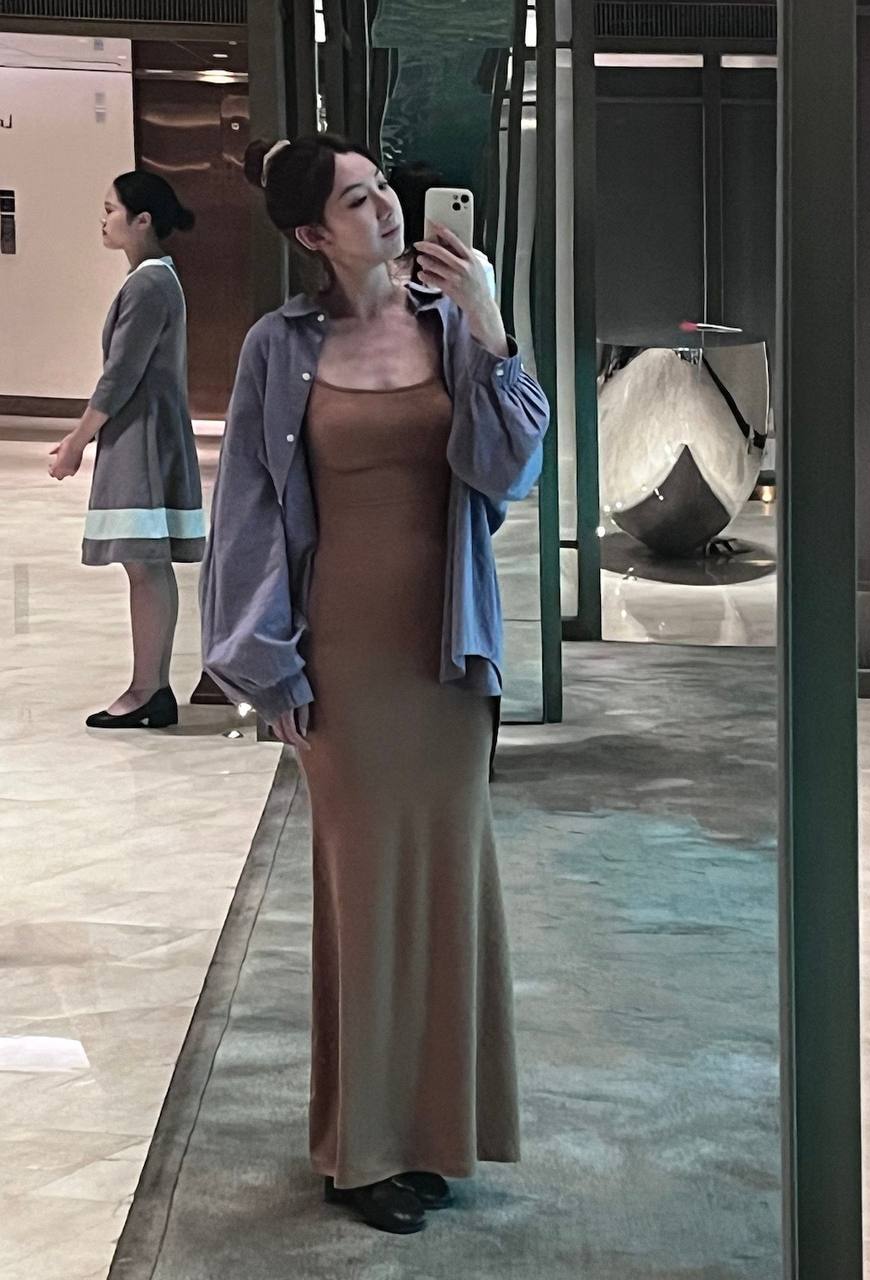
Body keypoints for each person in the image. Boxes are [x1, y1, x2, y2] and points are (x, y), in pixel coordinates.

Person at [200, 134, 549, 1235]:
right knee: (363, 897)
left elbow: (507, 470)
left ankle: (433, 1134)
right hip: (340, 660)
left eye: (384, 190)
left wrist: (491, 325)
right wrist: (265, 663)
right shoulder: (278, 346)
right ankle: (360, 1151)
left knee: (448, 885)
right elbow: (248, 508)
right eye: (359, 200)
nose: (388, 210)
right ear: (313, 233)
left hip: (447, 650)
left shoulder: (452, 326)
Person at [49, 172, 203, 730]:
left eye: (112, 209)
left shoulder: (149, 284)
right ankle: (150, 688)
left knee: (145, 565)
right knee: (147, 565)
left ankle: (147, 690)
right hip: (147, 433)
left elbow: (120, 377)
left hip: (143, 437)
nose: (103, 218)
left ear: (143, 221)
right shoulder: (155, 279)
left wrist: (76, 441)